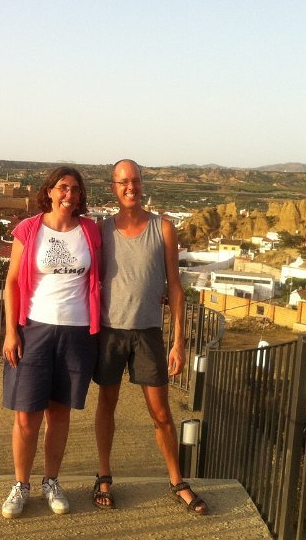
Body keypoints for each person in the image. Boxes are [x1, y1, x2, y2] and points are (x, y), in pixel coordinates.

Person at [92, 158, 208, 515]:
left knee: (161, 412)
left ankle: (177, 481)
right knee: (106, 406)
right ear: (113, 187)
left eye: (135, 181)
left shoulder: (164, 228)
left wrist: (179, 341)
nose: (130, 187)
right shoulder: (102, 230)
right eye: (123, 181)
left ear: (142, 184)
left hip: (148, 334)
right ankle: (104, 475)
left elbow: (175, 287)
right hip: (110, 332)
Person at [0, 166, 101, 519]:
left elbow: (104, 276)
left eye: (75, 189)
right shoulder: (29, 229)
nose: (68, 194)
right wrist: (12, 331)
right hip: (35, 330)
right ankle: (21, 485)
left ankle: (51, 481)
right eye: (63, 187)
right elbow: (12, 282)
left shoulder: (90, 231)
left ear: (80, 196)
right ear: (50, 191)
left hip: (77, 331)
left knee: (58, 415)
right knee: (26, 415)